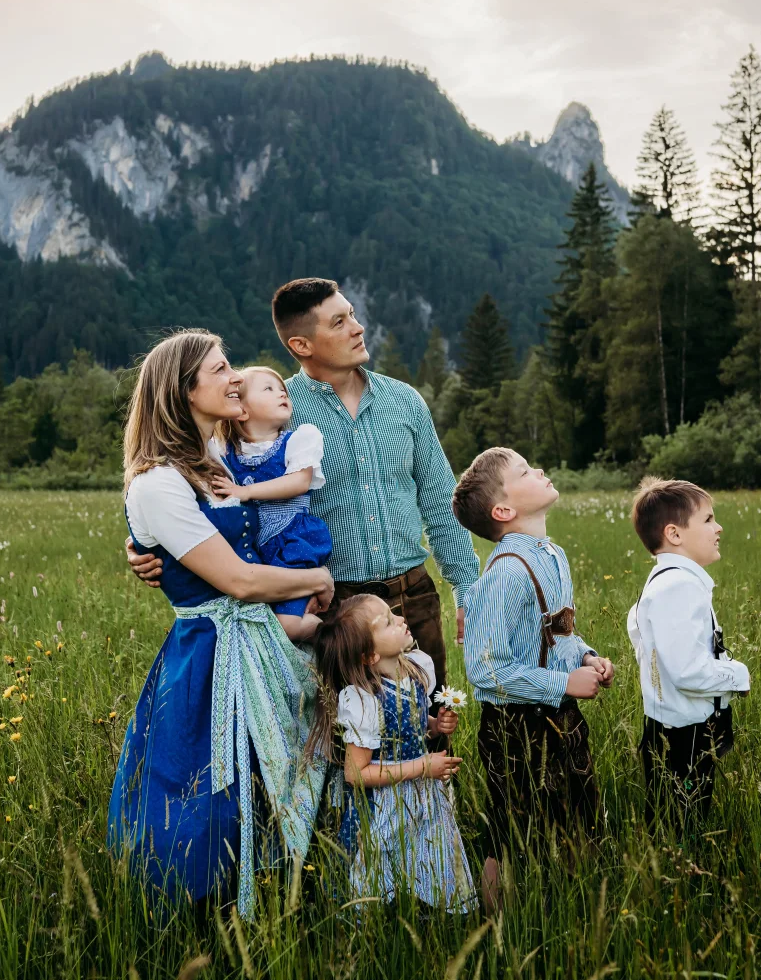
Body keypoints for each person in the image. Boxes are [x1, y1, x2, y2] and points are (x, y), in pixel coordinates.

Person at [127, 279, 481, 748]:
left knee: (427, 726)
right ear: (301, 344)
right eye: (340, 321)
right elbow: (192, 480)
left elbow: (439, 503)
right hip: (333, 603)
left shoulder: (405, 403)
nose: (358, 327)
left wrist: (467, 589)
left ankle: (433, 819)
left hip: (411, 594)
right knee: (344, 741)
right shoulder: (271, 410)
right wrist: (145, 547)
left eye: (353, 314)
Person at [108, 330, 334, 921]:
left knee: (272, 773)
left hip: (256, 639)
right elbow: (236, 580)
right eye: (222, 368)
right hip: (211, 650)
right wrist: (314, 581)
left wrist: (140, 548)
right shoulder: (159, 482)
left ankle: (275, 899)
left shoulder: (212, 464)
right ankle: (198, 914)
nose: (237, 377)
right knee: (202, 783)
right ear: (184, 392)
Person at [454, 447, 614, 912]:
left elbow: (555, 631)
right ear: (503, 510)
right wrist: (562, 684)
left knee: (578, 807)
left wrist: (587, 656)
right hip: (514, 724)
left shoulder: (552, 554)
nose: (540, 469)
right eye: (525, 471)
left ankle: (581, 904)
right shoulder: (505, 573)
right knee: (509, 823)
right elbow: (484, 669)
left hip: (561, 713)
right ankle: (493, 920)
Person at [308, 594, 477, 914]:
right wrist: (422, 766)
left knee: (429, 855)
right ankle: (379, 924)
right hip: (384, 806)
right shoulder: (363, 701)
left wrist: (435, 727)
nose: (401, 620)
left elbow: (411, 726)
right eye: (387, 621)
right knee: (381, 868)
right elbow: (355, 773)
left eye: (394, 614)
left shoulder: (416, 670)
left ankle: (429, 917)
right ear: (370, 654)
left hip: (423, 797)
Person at [626, 476, 751, 834]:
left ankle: (672, 867)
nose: (719, 527)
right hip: (683, 736)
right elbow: (686, 671)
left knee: (676, 817)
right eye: (709, 519)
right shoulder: (677, 587)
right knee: (681, 825)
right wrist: (738, 675)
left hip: (673, 728)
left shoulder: (667, 581)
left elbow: (640, 631)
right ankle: (675, 879)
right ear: (674, 534)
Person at [210, 365, 332, 644]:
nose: (281, 393)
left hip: (292, 542)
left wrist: (246, 491)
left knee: (287, 626)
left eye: (282, 389)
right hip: (253, 550)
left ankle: (330, 630)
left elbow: (299, 482)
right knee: (259, 625)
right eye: (268, 389)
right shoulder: (226, 451)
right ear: (242, 411)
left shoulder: (298, 440)